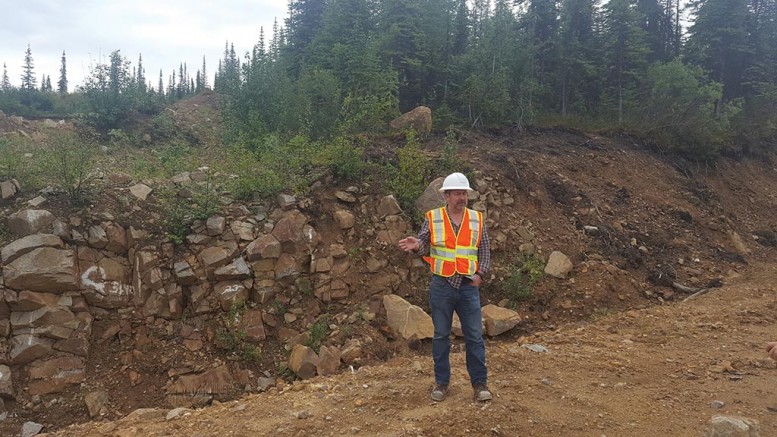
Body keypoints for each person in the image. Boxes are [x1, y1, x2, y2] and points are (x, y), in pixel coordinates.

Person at [398, 172, 492, 402]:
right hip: (442, 286)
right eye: (457, 194)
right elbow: (424, 243)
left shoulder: (476, 219)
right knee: (441, 336)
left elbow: (484, 249)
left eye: (464, 194)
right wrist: (416, 245)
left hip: (468, 286)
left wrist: (480, 274)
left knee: (474, 337)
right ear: (446, 196)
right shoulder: (434, 218)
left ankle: (480, 384)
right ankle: (441, 383)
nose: (462, 198)